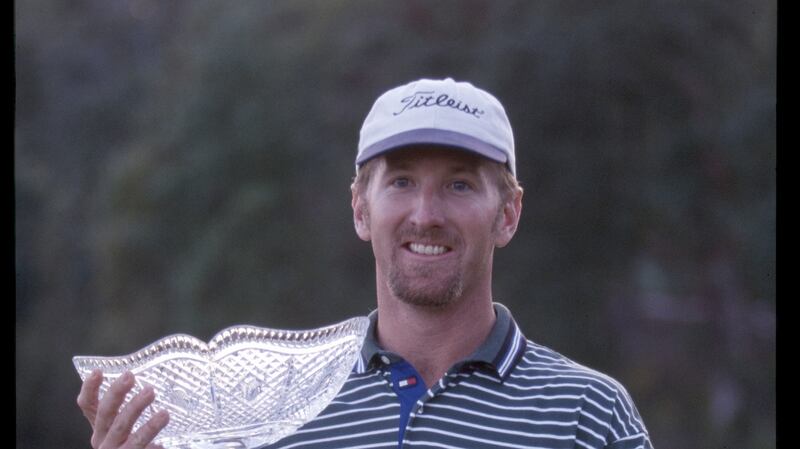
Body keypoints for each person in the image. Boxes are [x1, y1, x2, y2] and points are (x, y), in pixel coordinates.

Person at [77, 78, 654, 449]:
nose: (426, 214)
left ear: (508, 213)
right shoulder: (275, 411)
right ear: (360, 208)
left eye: (458, 184)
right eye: (401, 181)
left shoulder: (587, 415)